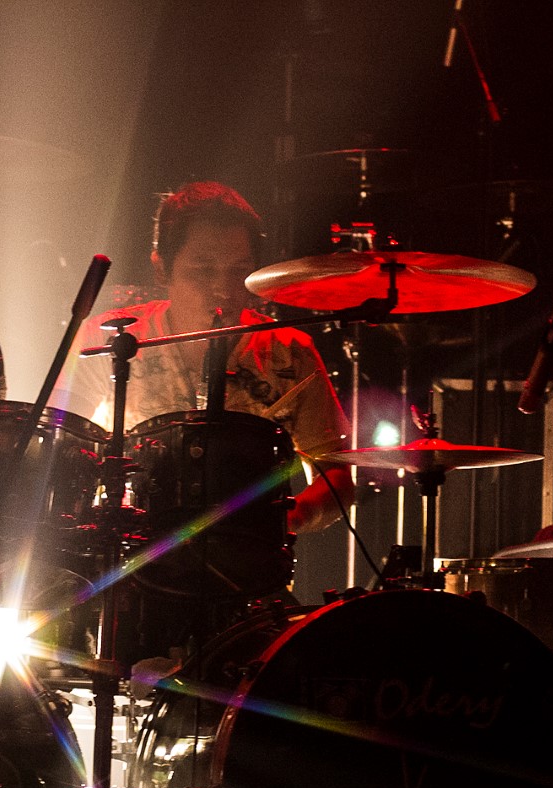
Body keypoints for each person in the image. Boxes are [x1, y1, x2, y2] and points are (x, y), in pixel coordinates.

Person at [52, 181, 353, 535]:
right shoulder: (110, 339)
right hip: (132, 548)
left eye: (238, 270)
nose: (224, 288)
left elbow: (336, 475)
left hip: (247, 555)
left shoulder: (290, 352)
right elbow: (58, 443)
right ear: (162, 268)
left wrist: (286, 521)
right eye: (203, 270)